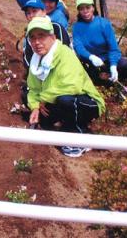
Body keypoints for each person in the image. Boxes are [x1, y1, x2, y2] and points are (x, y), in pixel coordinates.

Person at [26, 16, 105, 158]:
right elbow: (33, 88)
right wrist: (35, 106)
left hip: (87, 102)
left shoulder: (65, 54)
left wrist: (43, 99)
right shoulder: (36, 60)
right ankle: (65, 124)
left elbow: (71, 86)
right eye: (32, 38)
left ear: (53, 37)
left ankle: (79, 137)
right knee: (27, 97)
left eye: (41, 36)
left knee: (66, 100)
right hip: (53, 99)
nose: (37, 42)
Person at [72, 0, 127, 85]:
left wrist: (113, 65)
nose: (85, 11)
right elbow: (79, 48)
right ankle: (103, 81)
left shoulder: (104, 24)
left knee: (125, 65)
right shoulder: (76, 28)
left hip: (106, 60)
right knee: (83, 74)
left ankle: (111, 78)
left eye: (87, 7)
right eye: (81, 9)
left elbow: (113, 48)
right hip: (90, 62)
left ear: (93, 8)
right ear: (79, 11)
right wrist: (91, 57)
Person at [21, 0, 71, 69]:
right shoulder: (29, 33)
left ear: (44, 12)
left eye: (34, 11)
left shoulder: (56, 27)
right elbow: (27, 57)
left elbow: (64, 50)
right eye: (28, 13)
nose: (31, 15)